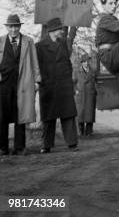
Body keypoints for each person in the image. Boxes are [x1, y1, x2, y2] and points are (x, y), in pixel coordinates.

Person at [36, 17, 78, 153]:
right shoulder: (39, 46)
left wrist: (70, 83)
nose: (61, 31)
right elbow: (37, 68)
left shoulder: (64, 43)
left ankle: (72, 143)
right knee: (48, 117)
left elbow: (68, 63)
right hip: (48, 86)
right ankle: (46, 146)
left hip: (64, 85)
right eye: (60, 29)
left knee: (68, 114)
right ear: (53, 30)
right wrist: (41, 82)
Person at [0, 14, 40, 156]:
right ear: (7, 27)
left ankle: (19, 147)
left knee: (20, 114)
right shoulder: (1, 41)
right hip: (3, 84)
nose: (13, 29)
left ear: (20, 26)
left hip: (23, 82)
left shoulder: (28, 41)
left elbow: (35, 61)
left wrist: (37, 80)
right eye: (11, 26)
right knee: (2, 115)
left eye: (16, 26)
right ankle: (3, 147)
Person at [74, 51, 97, 136]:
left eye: (88, 61)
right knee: (80, 113)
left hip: (90, 95)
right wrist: (76, 90)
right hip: (81, 95)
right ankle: (81, 130)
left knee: (90, 113)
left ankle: (89, 131)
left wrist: (95, 90)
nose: (86, 63)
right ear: (82, 63)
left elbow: (97, 82)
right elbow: (73, 82)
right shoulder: (77, 71)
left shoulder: (93, 71)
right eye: (85, 61)